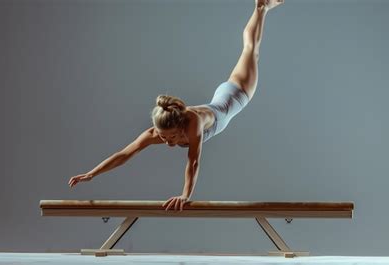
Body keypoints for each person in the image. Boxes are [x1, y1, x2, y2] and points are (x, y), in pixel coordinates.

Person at [68, 0, 284, 212]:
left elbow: (193, 162)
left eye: (170, 137)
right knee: (249, 50)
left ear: (180, 126)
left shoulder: (193, 123)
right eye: (163, 137)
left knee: (250, 50)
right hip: (221, 97)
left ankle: (261, 6)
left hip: (237, 94)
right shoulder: (158, 132)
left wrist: (185, 195)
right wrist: (92, 173)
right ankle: (262, 7)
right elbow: (125, 153)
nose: (167, 142)